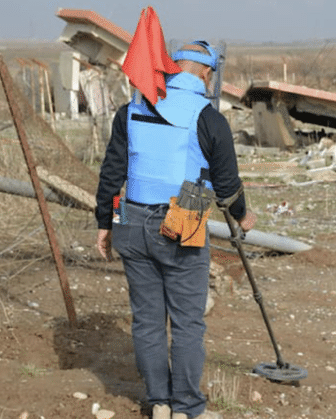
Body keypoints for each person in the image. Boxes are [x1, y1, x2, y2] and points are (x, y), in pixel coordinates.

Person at [95, 41, 256, 419]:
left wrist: (103, 223)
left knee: (147, 319)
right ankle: (186, 407)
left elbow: (110, 174)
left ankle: (159, 404)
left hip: (130, 217)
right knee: (186, 322)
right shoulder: (208, 117)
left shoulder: (132, 108)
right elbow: (227, 186)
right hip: (185, 213)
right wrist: (243, 215)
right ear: (205, 74)